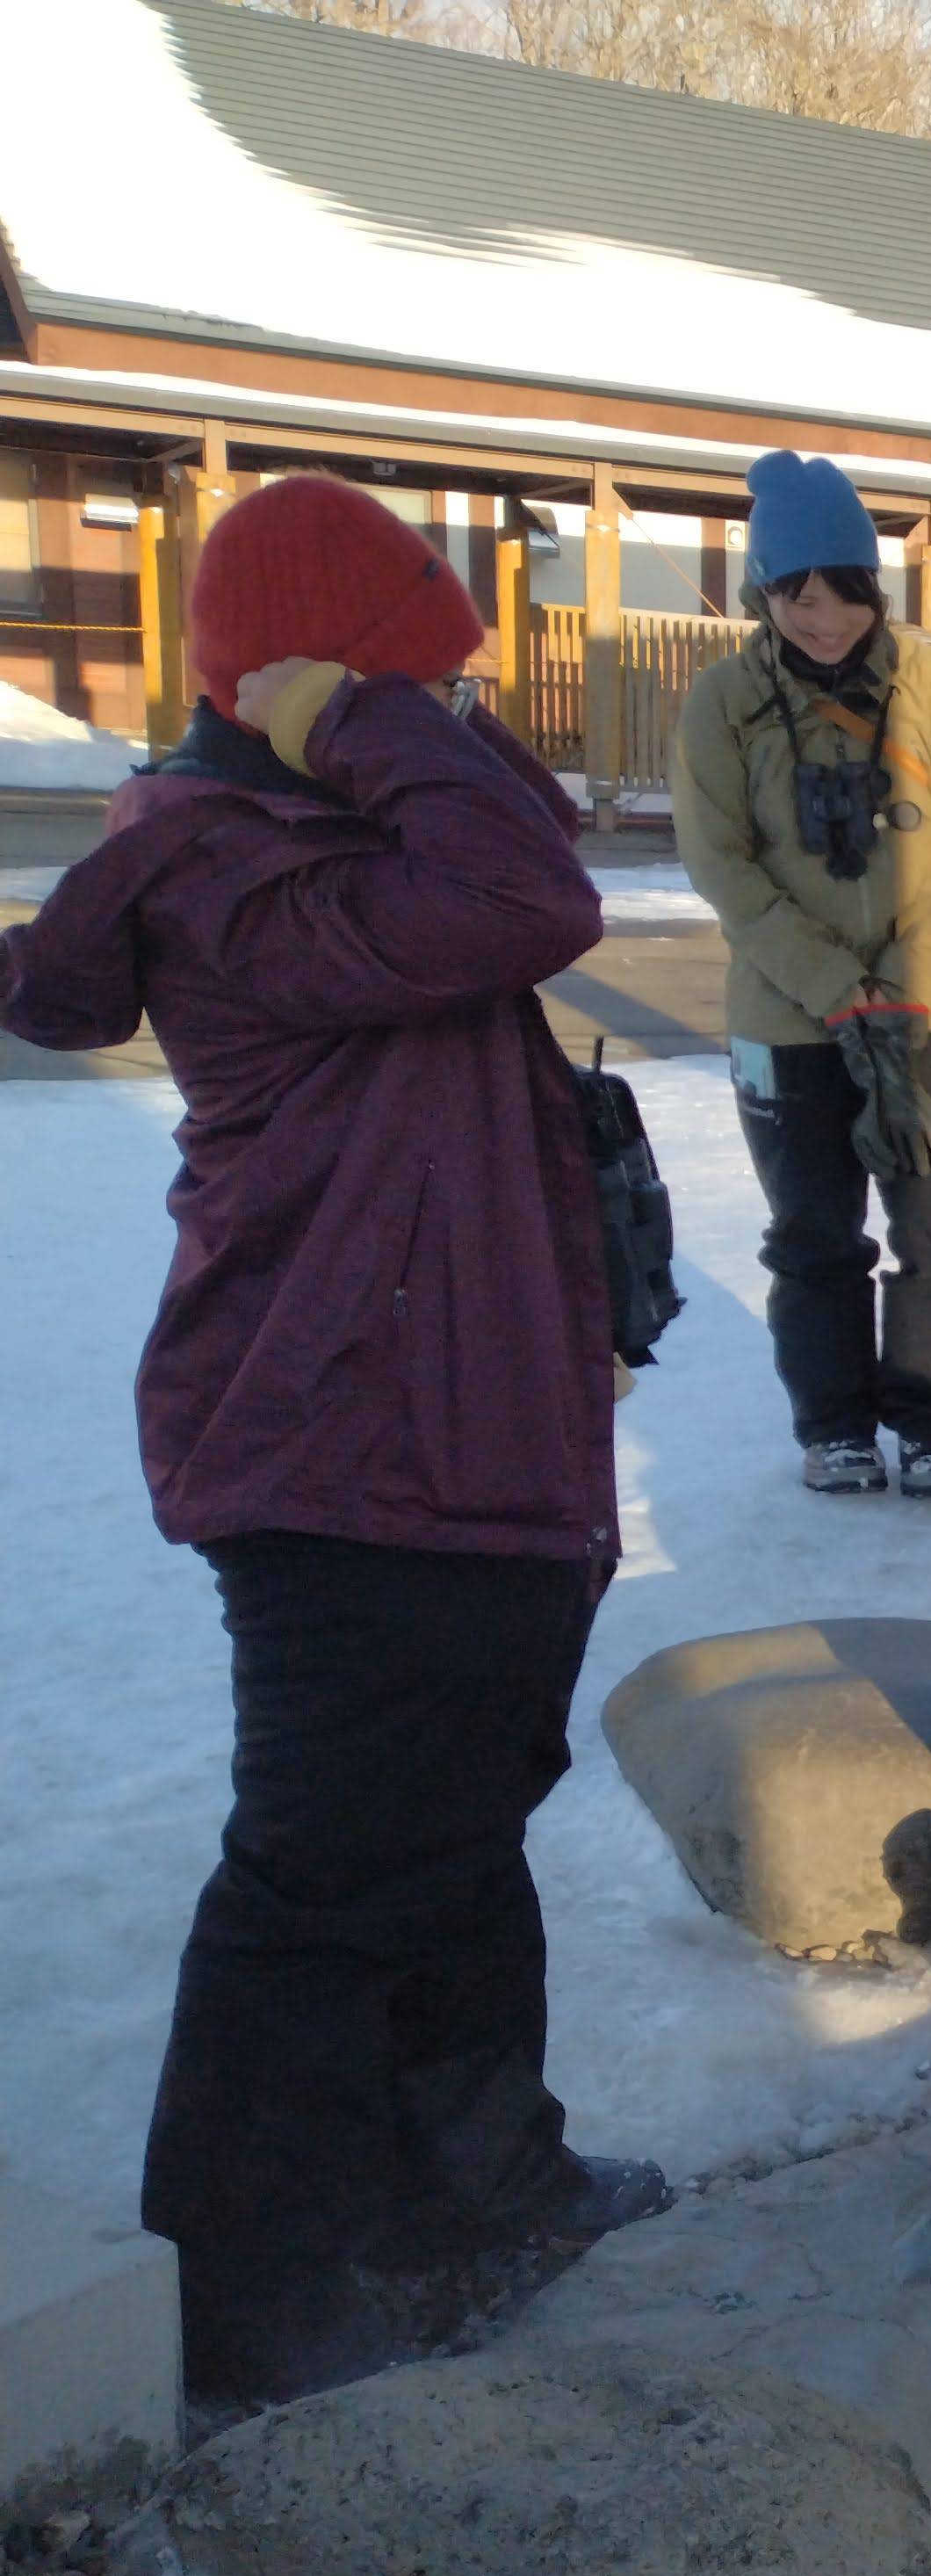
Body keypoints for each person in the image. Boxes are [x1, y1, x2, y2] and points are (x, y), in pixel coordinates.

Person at [0, 474, 665, 2402]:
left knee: (454, 1837)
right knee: (322, 1884)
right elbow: (534, 897)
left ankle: (484, 2188)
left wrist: (399, 717)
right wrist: (358, 715)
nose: (445, 721)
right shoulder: (239, 869)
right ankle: (251, 2320)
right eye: (408, 683)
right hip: (349, 1451)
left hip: (452, 1433)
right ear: (295, 688)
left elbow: (517, 846)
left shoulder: (322, 823)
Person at [672, 450, 931, 1498]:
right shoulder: (723, 700)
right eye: (794, 594)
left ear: (875, 586)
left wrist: (905, 973)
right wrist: (832, 981)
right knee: (815, 1235)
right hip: (788, 1014)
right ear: (762, 593)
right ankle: (834, 1427)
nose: (821, 618)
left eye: (842, 592)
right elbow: (719, 860)